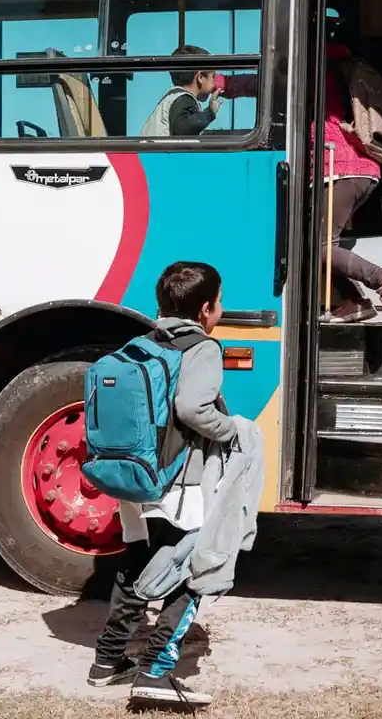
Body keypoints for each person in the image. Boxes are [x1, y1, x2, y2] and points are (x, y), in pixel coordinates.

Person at [89, 260, 234, 708]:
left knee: (138, 562)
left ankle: (108, 662)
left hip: (136, 477)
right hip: (177, 482)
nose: (221, 308)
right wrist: (230, 430)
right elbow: (192, 408)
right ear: (206, 308)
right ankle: (155, 670)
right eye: (220, 301)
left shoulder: (139, 343)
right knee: (191, 569)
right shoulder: (203, 348)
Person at [315, 37, 382, 328]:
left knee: (320, 247)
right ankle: (354, 302)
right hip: (368, 170)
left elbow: (265, 85)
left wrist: (223, 83)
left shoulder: (315, 69)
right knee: (313, 243)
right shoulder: (365, 75)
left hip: (337, 167)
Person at [141, 45, 235, 137]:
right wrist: (210, 112)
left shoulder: (174, 97)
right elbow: (184, 129)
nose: (215, 83)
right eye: (213, 76)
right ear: (200, 77)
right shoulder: (183, 99)